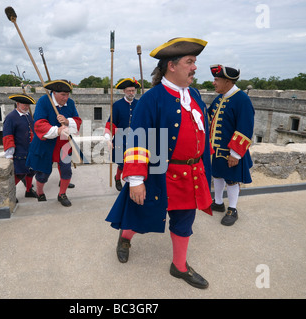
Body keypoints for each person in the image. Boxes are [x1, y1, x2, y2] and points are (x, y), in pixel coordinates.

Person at [105, 38, 213, 289]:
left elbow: (202, 138)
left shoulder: (194, 94)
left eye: (194, 62)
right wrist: (135, 180)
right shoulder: (151, 98)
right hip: (160, 173)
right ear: (171, 66)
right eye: (190, 62)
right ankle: (125, 237)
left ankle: (179, 266)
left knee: (184, 220)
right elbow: (138, 141)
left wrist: (205, 172)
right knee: (142, 213)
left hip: (191, 173)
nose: (195, 67)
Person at [208, 64, 255, 226]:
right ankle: (219, 202)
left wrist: (235, 154)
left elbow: (245, 127)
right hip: (216, 150)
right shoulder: (219, 98)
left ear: (227, 81)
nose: (213, 83)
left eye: (216, 79)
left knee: (232, 180)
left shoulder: (242, 99)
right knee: (218, 175)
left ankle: (233, 208)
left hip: (231, 151)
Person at [26, 80, 82, 207]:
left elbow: (78, 121)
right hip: (45, 143)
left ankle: (62, 194)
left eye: (68, 94)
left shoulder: (70, 103)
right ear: (54, 93)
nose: (66, 98)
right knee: (43, 173)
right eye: (63, 95)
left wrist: (67, 122)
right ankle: (40, 192)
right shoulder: (44, 101)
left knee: (67, 170)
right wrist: (57, 130)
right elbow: (39, 123)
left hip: (64, 143)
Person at [104, 78, 141, 191]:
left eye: (133, 91)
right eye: (129, 91)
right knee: (122, 163)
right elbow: (111, 123)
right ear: (124, 91)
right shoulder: (117, 105)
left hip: (135, 139)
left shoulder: (139, 104)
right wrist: (108, 138)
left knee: (131, 163)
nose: (131, 93)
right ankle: (118, 178)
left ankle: (129, 184)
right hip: (121, 139)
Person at [3, 93, 38, 201]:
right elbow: (8, 136)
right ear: (17, 104)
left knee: (31, 171)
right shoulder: (11, 117)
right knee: (19, 173)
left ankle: (28, 190)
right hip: (19, 152)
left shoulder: (28, 116)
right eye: (24, 104)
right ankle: (10, 194)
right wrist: (9, 153)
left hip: (30, 150)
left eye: (28, 105)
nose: (26, 107)